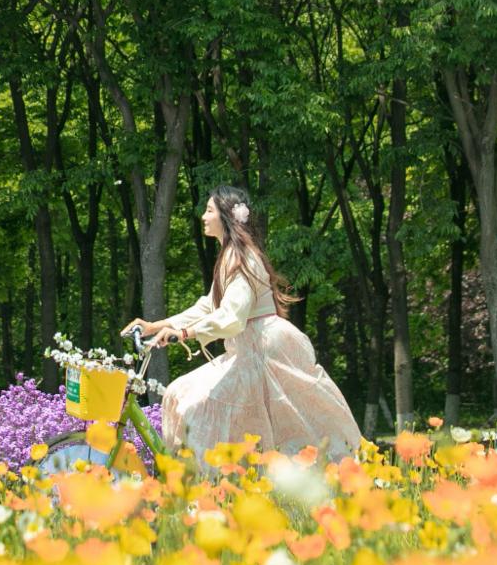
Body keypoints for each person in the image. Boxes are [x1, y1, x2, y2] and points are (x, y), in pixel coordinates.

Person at [121, 186, 364, 460]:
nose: (203, 216)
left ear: (225, 216)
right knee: (180, 394)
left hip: (265, 350)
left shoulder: (243, 257)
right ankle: (214, 481)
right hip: (247, 348)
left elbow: (232, 317)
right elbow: (208, 306)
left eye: (209, 210)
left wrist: (184, 333)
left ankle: (208, 484)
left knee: (202, 410)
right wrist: (157, 325)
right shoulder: (229, 256)